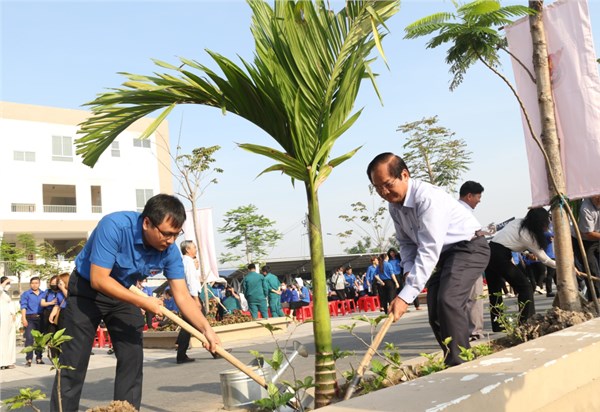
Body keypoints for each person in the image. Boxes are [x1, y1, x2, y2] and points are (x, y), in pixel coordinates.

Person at [50, 194, 220, 411]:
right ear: (147, 222)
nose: (170, 241)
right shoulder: (114, 226)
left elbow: (183, 295)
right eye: (167, 234)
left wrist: (206, 329)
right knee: (73, 362)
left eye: (176, 235)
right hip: (87, 290)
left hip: (124, 291)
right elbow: (99, 279)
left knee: (131, 357)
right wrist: (145, 302)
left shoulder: (169, 251)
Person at [367, 152, 490, 367]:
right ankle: (452, 358)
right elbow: (406, 244)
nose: (384, 192)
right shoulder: (394, 206)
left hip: (469, 248)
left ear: (404, 175)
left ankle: (462, 363)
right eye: (378, 188)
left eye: (387, 185)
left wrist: (405, 297)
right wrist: (407, 272)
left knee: (449, 299)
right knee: (435, 307)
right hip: (445, 255)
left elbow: (428, 249)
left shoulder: (428, 198)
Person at [485, 208, 556, 332]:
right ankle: (526, 322)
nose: (547, 225)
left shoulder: (518, 222)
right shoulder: (528, 234)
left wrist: (527, 253)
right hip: (499, 256)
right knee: (525, 287)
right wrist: (563, 265)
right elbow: (545, 260)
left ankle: (498, 325)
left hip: (490, 252)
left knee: (495, 291)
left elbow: (510, 241)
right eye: (546, 222)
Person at [458, 180, 486, 341]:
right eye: (478, 196)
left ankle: (466, 331)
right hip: (469, 257)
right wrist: (481, 234)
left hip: (460, 258)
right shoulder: (462, 212)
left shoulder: (456, 209)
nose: (479, 200)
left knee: (465, 297)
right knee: (474, 296)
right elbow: (467, 235)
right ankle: (475, 332)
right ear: (469, 196)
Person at [176, 240, 202, 364]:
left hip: (191, 295)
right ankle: (215, 349)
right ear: (187, 249)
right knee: (200, 323)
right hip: (192, 296)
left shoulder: (188, 262)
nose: (196, 249)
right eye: (194, 247)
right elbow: (191, 282)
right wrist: (196, 299)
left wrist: (196, 268)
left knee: (188, 326)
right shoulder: (187, 262)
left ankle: (181, 353)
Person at [572, 195, 600, 300]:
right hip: (585, 240)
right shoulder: (586, 208)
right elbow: (588, 233)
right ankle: (596, 299)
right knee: (592, 270)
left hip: (597, 238)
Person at [20, 276, 44, 366]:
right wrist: (23, 318)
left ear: (39, 284)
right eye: (33, 283)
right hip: (30, 318)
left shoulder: (44, 293)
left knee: (40, 339)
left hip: (41, 318)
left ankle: (39, 358)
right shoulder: (26, 294)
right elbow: (23, 306)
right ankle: (29, 359)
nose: (34, 285)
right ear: (30, 284)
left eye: (36, 283)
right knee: (29, 338)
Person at [1, 276, 17, 369]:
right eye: (7, 283)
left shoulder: (6, 293)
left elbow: (10, 304)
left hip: (9, 319)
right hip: (2, 319)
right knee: (2, 340)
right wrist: (4, 282)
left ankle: (9, 361)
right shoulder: (1, 291)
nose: (8, 285)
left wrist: (13, 314)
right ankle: (2, 362)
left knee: (10, 340)